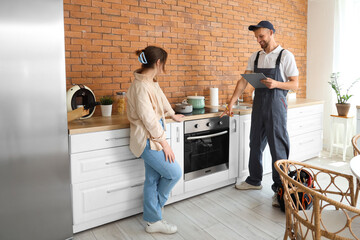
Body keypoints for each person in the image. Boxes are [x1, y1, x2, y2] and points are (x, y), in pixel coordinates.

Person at [221, 21, 299, 207]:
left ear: (271, 33)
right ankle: (254, 180)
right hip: (259, 105)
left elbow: (295, 84)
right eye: (256, 37)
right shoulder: (255, 57)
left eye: (261, 36)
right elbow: (243, 82)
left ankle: (280, 190)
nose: (258, 40)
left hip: (276, 106)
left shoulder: (285, 55)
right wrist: (230, 103)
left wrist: (277, 84)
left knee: (277, 147)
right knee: (255, 142)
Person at [126, 46, 184, 234]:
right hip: (147, 139)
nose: (163, 66)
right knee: (174, 173)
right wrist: (165, 144)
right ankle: (155, 211)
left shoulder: (149, 81)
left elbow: (161, 97)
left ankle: (153, 220)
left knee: (152, 179)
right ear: (158, 63)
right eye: (163, 63)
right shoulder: (141, 86)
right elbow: (149, 120)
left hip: (153, 135)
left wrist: (172, 113)